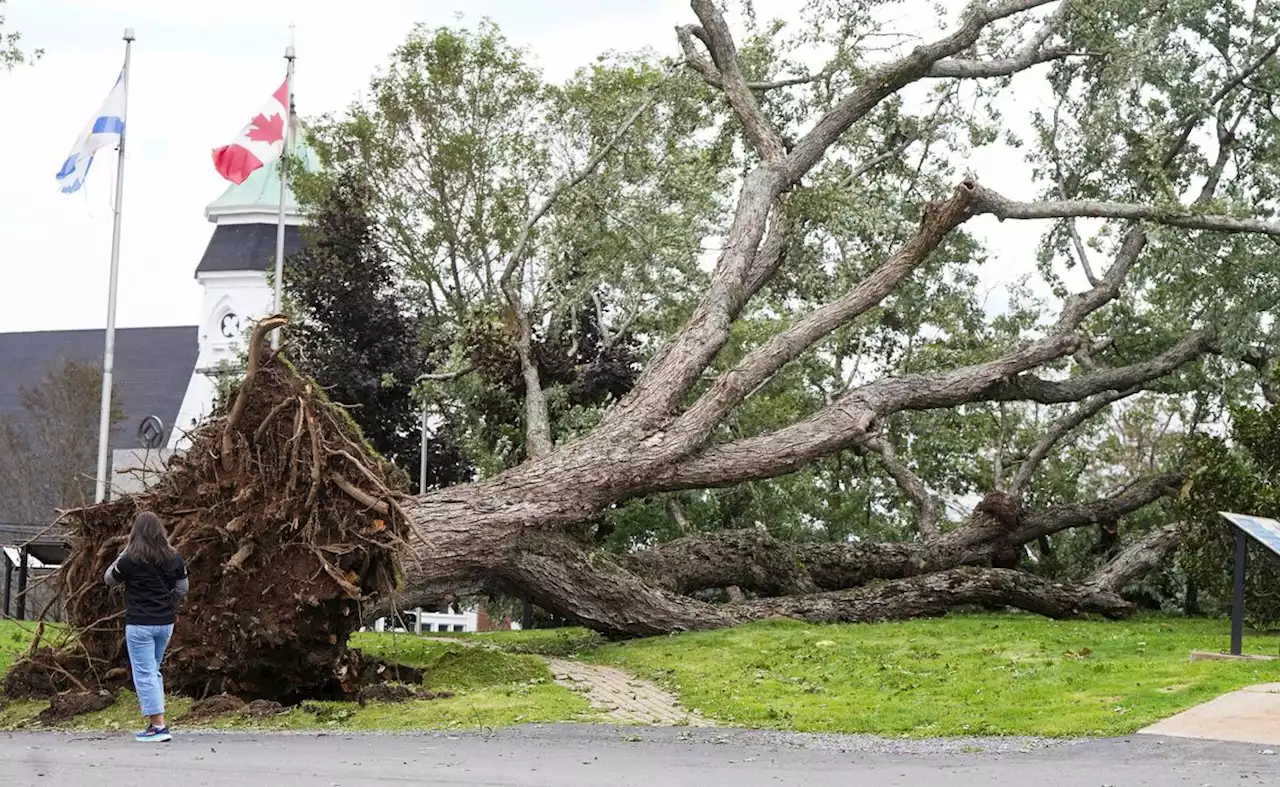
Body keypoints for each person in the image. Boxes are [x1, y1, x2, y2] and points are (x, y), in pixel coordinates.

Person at [103, 511, 189, 743]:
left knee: (145, 673)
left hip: (140, 623)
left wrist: (122, 552)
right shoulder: (174, 558)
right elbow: (183, 588)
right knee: (154, 670)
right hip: (165, 623)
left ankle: (159, 727)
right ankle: (156, 723)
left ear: (135, 533)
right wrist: (168, 602)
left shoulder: (130, 559)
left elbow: (109, 579)